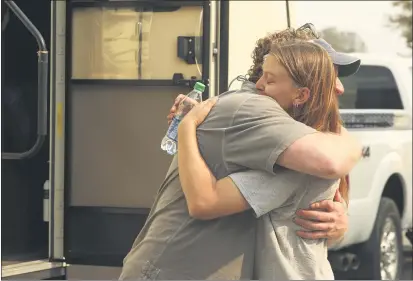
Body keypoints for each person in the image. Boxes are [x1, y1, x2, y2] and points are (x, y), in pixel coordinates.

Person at [119, 26, 361, 280]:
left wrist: (338, 224)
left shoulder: (291, 134)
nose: (340, 88)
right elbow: (331, 161)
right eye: (329, 74)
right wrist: (187, 127)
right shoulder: (251, 109)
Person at [177, 39, 355, 279]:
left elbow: (204, 202)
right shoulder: (316, 144)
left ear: (302, 94)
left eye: (270, 79)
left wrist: (187, 127)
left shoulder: (296, 164)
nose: (257, 85)